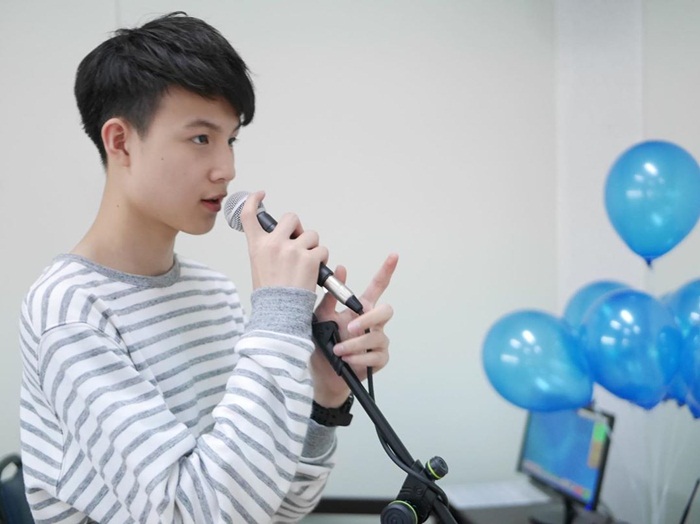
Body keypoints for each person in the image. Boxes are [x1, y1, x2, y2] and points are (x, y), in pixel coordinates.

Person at [19, 12, 398, 524]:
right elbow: (196, 513)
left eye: (231, 139)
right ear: (121, 141)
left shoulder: (213, 293)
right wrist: (278, 314)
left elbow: (277, 508)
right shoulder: (68, 308)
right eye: (201, 138)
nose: (227, 169)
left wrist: (325, 395)